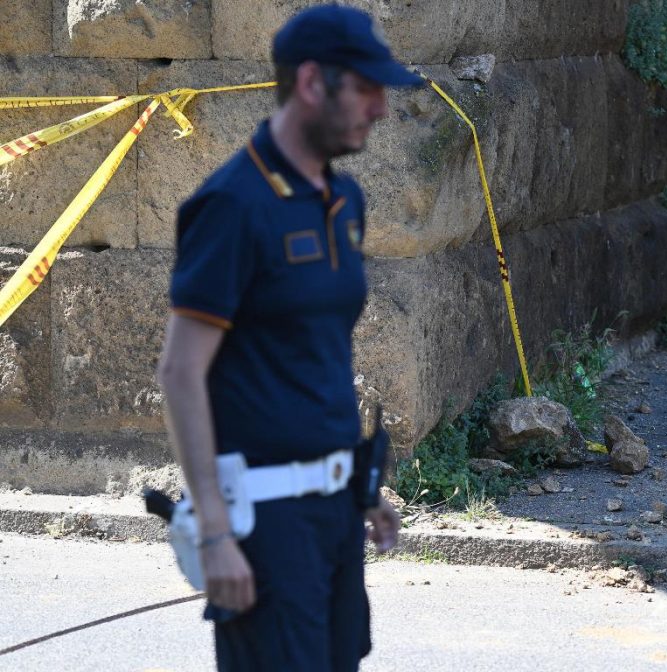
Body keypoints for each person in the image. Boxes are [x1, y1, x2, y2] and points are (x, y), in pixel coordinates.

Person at [156, 5, 422, 670]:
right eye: (366, 88)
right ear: (311, 83)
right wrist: (214, 533)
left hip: (334, 518)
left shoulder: (345, 202)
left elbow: (314, 356)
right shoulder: (232, 206)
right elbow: (180, 373)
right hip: (261, 530)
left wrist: (359, 491)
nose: (381, 109)